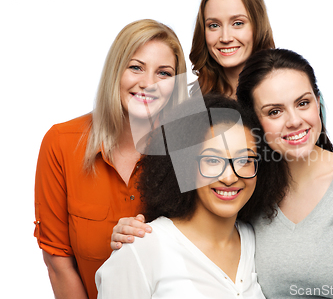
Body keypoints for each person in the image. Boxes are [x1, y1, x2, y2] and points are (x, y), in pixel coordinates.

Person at [111, 49, 333, 298]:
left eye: (303, 103)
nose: (294, 121)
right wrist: (133, 236)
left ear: (318, 101)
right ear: (253, 121)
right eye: (274, 111)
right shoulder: (250, 194)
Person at [34, 19, 189, 299]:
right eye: (136, 67)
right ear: (115, 71)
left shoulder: (189, 150)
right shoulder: (61, 142)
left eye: (164, 73)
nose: (148, 84)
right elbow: (58, 263)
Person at [96, 94, 288, 298]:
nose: (230, 177)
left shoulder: (254, 241)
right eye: (213, 160)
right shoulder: (142, 249)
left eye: (244, 160)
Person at [189, 0, 274, 97]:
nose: (225, 38)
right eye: (214, 25)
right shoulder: (195, 104)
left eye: (238, 23)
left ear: (258, 26)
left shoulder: (283, 88)